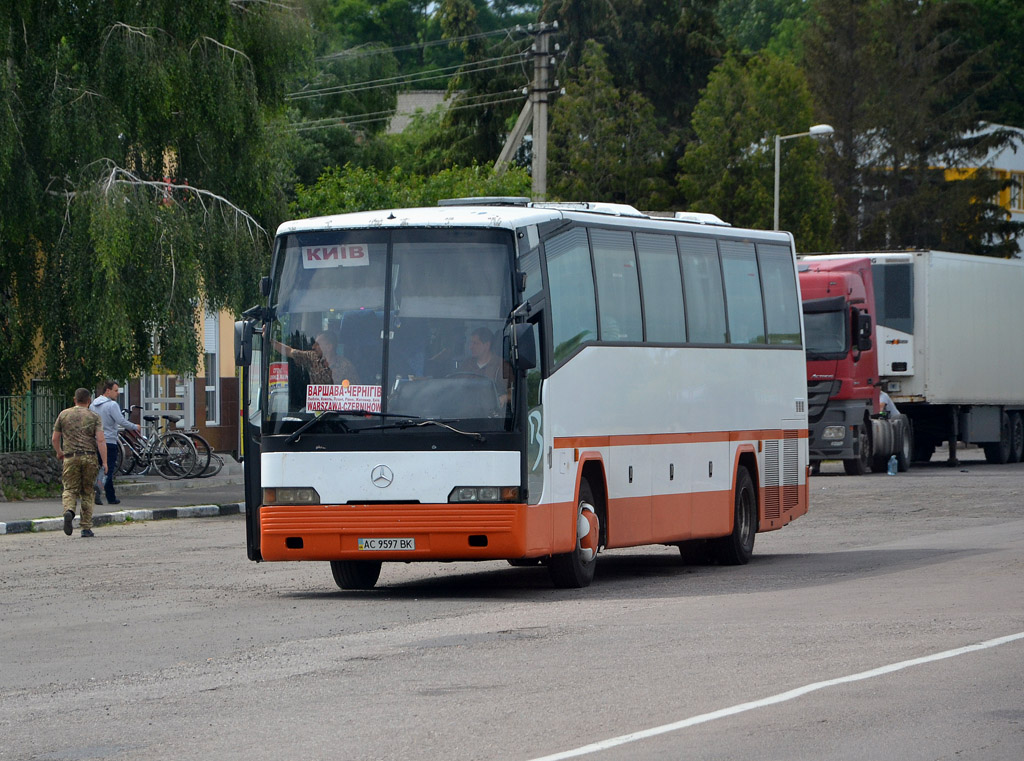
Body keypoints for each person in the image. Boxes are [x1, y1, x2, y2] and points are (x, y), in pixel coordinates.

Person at [51, 388, 108, 538]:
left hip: (70, 457)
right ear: (89, 400)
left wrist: (59, 452)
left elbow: (55, 438)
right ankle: (86, 528)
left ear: (74, 399)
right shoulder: (94, 416)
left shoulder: (64, 415)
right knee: (88, 491)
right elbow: (101, 440)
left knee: (70, 489)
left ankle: (69, 511)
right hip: (89, 457)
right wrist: (105, 462)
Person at [89, 380, 139, 505]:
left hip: (95, 440)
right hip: (109, 441)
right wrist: (134, 426)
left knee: (99, 467)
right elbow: (121, 421)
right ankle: (99, 488)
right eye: (116, 391)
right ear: (108, 390)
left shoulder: (93, 405)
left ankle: (110, 496)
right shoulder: (112, 405)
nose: (117, 394)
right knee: (109, 469)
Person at [274, 330, 359, 386]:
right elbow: (289, 351)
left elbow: (355, 392)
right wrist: (270, 340)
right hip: (317, 412)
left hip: (339, 412)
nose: (313, 347)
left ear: (329, 347)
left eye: (317, 344)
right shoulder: (312, 358)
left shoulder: (346, 366)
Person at [464, 327, 511, 405]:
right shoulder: (467, 365)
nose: (471, 347)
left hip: (491, 415)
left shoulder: (501, 366)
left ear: (487, 345)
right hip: (465, 414)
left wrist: (503, 398)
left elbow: (514, 393)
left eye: (475, 343)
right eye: (471, 343)